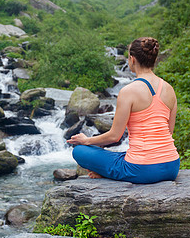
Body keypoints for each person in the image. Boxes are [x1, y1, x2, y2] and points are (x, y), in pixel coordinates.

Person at [67, 37, 180, 184]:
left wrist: (86, 140)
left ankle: (108, 173)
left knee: (79, 151)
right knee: (124, 155)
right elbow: (169, 132)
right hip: (172, 165)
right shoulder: (169, 89)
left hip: (142, 169)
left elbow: (114, 136)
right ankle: (111, 170)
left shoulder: (128, 91)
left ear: (132, 59)